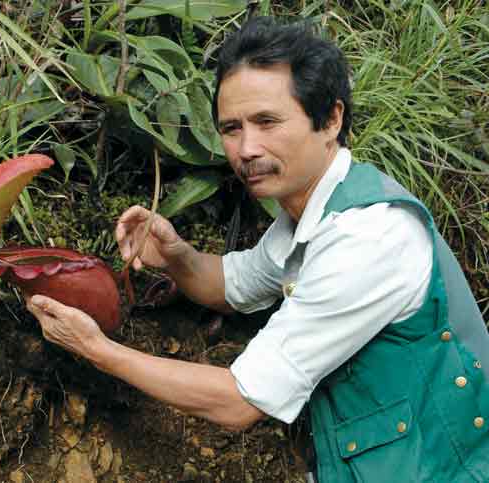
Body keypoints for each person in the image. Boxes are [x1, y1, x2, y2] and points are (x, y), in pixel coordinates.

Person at [27, 17, 489, 483]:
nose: (247, 148)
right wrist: (175, 256)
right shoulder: (310, 210)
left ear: (330, 120)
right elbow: (235, 284)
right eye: (232, 128)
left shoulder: (368, 238)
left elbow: (238, 401)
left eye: (267, 122)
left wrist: (95, 349)